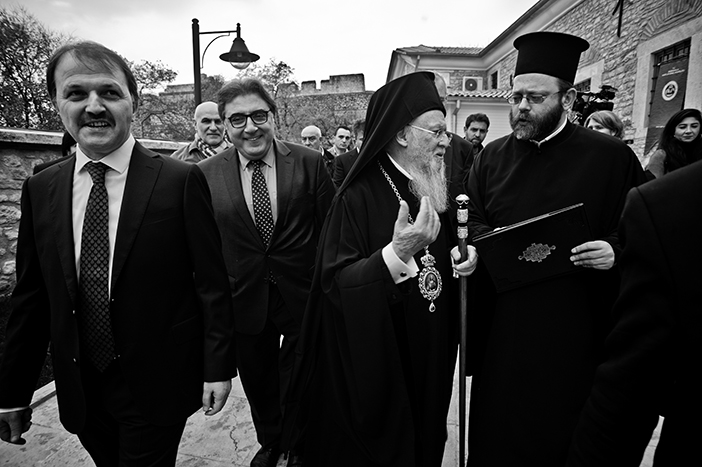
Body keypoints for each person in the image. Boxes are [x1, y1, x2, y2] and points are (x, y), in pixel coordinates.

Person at [0, 41, 236, 466]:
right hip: (81, 388)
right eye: (76, 93)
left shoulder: (179, 180)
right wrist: (13, 392)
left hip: (158, 379)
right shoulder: (41, 187)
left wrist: (218, 366)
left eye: (109, 92)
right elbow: (32, 297)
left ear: (133, 102)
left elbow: (211, 283)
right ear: (56, 103)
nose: (94, 106)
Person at [466, 32, 646, 466]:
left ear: (567, 100)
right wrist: (479, 245)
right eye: (516, 97)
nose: (522, 107)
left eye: (535, 97)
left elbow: (641, 229)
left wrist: (615, 249)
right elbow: (470, 219)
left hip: (577, 326)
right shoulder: (490, 157)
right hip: (506, 326)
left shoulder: (611, 158)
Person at [288, 71, 478, 467]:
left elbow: (442, 252)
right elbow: (335, 284)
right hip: (381, 360)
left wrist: (462, 258)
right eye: (437, 131)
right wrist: (396, 253)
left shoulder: (430, 185)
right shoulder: (355, 197)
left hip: (431, 350)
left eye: (445, 132)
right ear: (403, 134)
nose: (446, 141)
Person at [198, 78, 335, 467]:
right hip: (244, 299)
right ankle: (272, 441)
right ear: (225, 125)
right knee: (258, 382)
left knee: (301, 376)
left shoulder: (308, 162)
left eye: (259, 115)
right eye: (237, 119)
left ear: (273, 116)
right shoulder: (205, 174)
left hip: (302, 295)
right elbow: (205, 251)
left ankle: (298, 443)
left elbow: (330, 230)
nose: (250, 127)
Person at [645, 108, 702, 178]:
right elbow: (653, 183)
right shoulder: (661, 155)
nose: (688, 131)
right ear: (673, 130)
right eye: (682, 127)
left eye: (694, 126)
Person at [331, 120, 364, 188]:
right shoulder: (341, 160)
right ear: (355, 140)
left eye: (347, 138)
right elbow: (337, 186)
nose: (344, 141)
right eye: (362, 139)